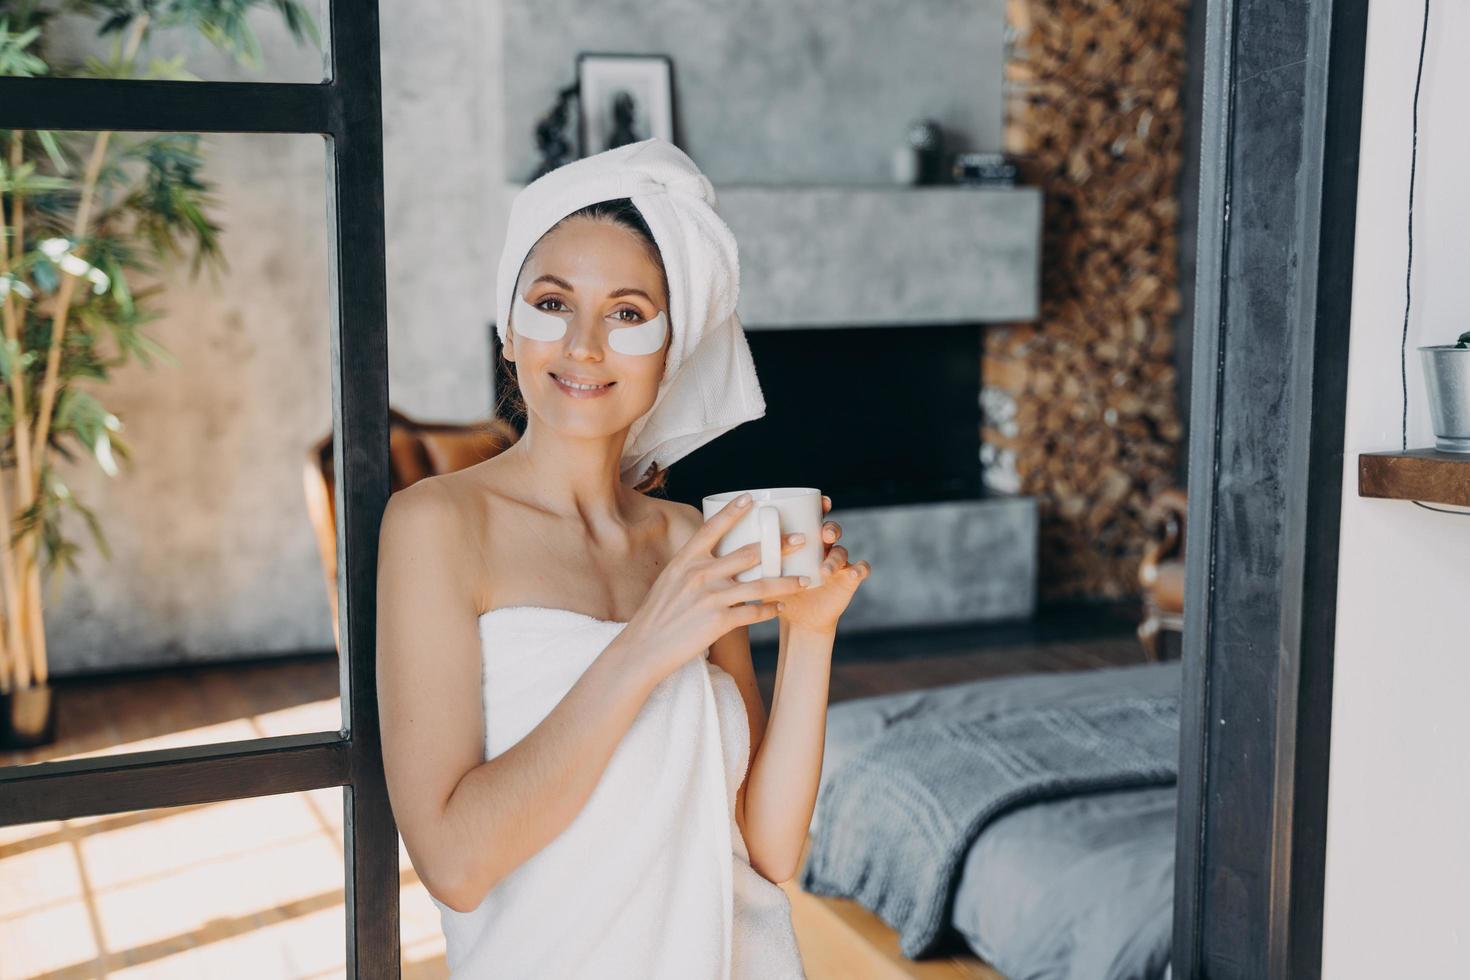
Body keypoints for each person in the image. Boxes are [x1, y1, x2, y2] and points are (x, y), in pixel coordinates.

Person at [376, 137, 870, 979]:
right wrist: (645, 644)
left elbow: (767, 846)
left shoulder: (689, 543)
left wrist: (812, 636)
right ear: (509, 331)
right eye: (553, 303)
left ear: (666, 358)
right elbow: (455, 868)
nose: (585, 345)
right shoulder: (437, 525)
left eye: (628, 313)